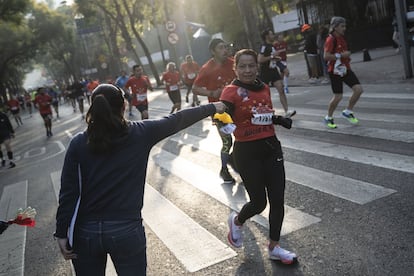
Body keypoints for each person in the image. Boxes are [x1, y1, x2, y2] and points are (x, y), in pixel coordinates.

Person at [54, 84, 226, 275]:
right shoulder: (140, 132)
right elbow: (178, 119)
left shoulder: (78, 142)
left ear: (93, 108)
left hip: (85, 233)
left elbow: (68, 192)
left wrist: (61, 233)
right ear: (124, 106)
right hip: (126, 231)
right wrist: (213, 107)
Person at [220, 49, 296, 264]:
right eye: (242, 66)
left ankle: (274, 247)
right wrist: (224, 123)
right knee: (259, 203)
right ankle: (237, 221)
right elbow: (221, 114)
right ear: (235, 68)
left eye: (251, 65)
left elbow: (262, 114)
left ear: (257, 67)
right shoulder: (230, 91)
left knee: (278, 200)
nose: (247, 70)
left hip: (271, 148)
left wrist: (279, 119)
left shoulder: (263, 87)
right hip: (247, 152)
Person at [193, 38, 237, 183]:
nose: (225, 50)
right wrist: (212, 94)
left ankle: (236, 160)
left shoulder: (233, 63)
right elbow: (195, 88)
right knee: (227, 141)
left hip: (237, 107)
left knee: (243, 137)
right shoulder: (207, 68)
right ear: (213, 51)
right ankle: (224, 170)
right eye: (220, 48)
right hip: (220, 112)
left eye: (225, 47)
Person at [323, 16, 363, 129]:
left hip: (345, 69)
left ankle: (348, 111)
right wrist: (341, 55)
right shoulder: (331, 39)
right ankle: (328, 118)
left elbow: (345, 51)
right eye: (342, 26)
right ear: (335, 27)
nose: (344, 28)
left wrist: (347, 54)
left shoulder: (342, 38)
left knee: (358, 89)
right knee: (338, 96)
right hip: (334, 71)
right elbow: (326, 56)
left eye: (344, 26)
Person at [258, 29, 296, 118]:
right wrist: (272, 56)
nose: (273, 36)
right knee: (265, 93)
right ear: (267, 36)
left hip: (274, 70)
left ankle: (287, 111)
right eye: (271, 34)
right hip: (265, 72)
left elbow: (274, 58)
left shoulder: (272, 45)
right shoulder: (264, 46)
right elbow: (260, 59)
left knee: (281, 89)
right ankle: (268, 112)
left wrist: (283, 67)